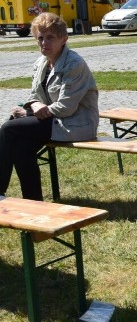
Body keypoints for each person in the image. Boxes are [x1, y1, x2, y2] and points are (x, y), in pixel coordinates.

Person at [0, 13, 98, 201]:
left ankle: (0, 191)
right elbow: (34, 97)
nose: (44, 42)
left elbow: (66, 108)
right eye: (40, 38)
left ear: (64, 39)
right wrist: (32, 106)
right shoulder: (41, 63)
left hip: (75, 124)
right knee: (21, 146)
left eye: (50, 37)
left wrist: (32, 110)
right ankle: (34, 201)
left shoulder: (74, 64)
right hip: (52, 121)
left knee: (8, 129)